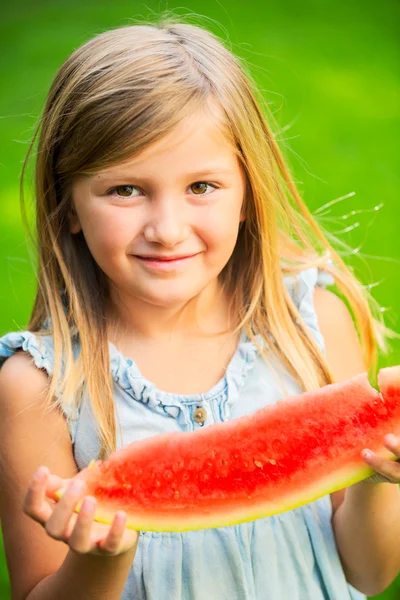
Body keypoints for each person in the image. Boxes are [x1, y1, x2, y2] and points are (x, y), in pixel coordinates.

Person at [0, 16, 399, 600]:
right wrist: (101, 559)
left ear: (246, 196)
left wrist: (378, 477)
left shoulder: (310, 324)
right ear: (66, 208)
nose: (166, 229)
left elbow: (368, 572)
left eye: (202, 187)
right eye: (126, 190)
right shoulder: (37, 390)